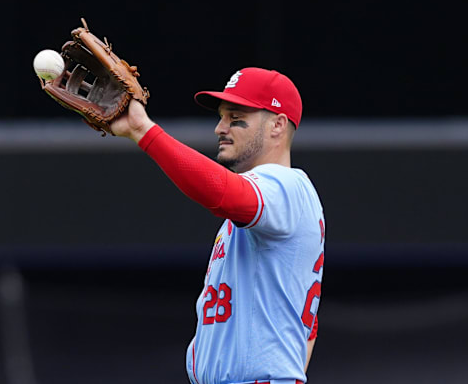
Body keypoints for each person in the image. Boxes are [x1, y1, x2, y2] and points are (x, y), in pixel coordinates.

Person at [110, 67, 325, 384]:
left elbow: (224, 194)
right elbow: (307, 327)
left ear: (278, 125)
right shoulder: (274, 202)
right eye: (222, 117)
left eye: (236, 117)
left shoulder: (285, 185)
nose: (220, 128)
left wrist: (145, 132)